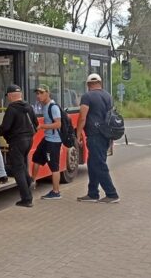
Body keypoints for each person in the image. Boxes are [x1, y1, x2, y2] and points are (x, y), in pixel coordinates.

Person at [75, 73, 120, 203]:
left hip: (94, 135)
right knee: (92, 163)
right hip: (106, 134)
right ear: (100, 83)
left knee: (99, 164)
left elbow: (82, 117)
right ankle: (92, 193)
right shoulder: (108, 96)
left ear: (88, 85)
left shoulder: (87, 96)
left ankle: (112, 194)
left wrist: (78, 135)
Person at [0, 85, 38, 207]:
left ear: (10, 95)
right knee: (22, 166)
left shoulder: (12, 108)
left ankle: (26, 199)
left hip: (17, 142)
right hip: (29, 141)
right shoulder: (28, 106)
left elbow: (6, 127)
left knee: (18, 170)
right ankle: (29, 181)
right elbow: (35, 123)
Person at [32, 84, 64, 200]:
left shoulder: (53, 107)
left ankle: (56, 192)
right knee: (36, 158)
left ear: (47, 93)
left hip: (54, 142)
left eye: (41, 93)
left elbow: (58, 124)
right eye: (37, 93)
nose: (38, 96)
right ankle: (32, 181)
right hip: (47, 139)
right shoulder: (44, 106)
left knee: (54, 166)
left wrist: (42, 126)